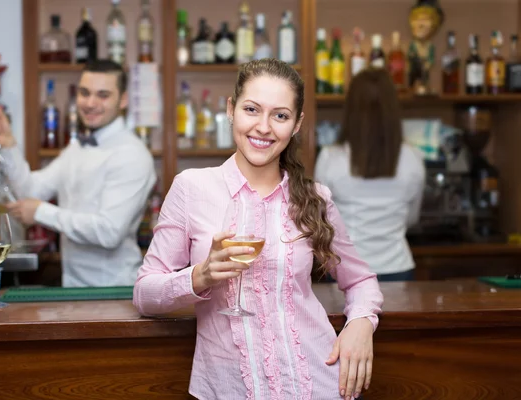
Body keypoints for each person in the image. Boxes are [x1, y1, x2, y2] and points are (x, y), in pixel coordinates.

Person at [133, 58, 383, 400]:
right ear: (231, 109)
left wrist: (361, 323)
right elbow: (145, 293)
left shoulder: (315, 198)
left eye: (280, 115)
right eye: (252, 109)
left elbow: (361, 280)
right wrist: (200, 276)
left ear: (296, 125)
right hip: (230, 389)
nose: (263, 127)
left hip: (319, 382)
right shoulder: (192, 188)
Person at [0, 59, 156, 287]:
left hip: (113, 289)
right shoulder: (77, 147)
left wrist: (41, 212)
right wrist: (8, 143)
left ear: (123, 100)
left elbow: (109, 232)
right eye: (84, 93)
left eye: (103, 95)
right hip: (73, 285)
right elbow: (31, 190)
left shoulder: (132, 154)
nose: (90, 103)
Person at [315, 68, 426, 282]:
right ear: (394, 108)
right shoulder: (413, 159)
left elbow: (321, 221)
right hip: (397, 267)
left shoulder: (330, 158)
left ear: (351, 110)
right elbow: (412, 218)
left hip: (345, 270)